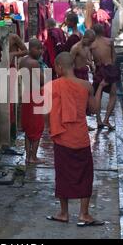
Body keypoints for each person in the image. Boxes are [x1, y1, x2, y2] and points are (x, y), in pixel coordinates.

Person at [45, 52, 107, 226]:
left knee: (62, 175)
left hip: (62, 137)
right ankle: (84, 214)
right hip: (80, 137)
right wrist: (100, 87)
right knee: (85, 175)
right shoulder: (86, 86)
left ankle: (64, 213)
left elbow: (46, 113)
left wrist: (51, 128)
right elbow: (94, 110)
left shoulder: (52, 86)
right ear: (72, 66)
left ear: (59, 67)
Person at [19, 39, 45, 164]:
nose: (41, 51)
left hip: (25, 95)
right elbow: (41, 80)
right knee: (37, 127)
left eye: (41, 49)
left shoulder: (22, 61)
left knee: (28, 128)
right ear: (32, 48)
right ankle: (33, 157)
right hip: (35, 96)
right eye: (38, 48)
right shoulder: (34, 63)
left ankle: (28, 157)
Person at [90, 24, 120, 131]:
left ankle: (98, 120)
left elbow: (90, 59)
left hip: (99, 69)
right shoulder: (109, 41)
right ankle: (106, 119)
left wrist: (93, 68)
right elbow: (114, 56)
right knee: (113, 94)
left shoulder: (92, 45)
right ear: (103, 31)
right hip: (110, 68)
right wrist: (112, 67)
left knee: (98, 94)